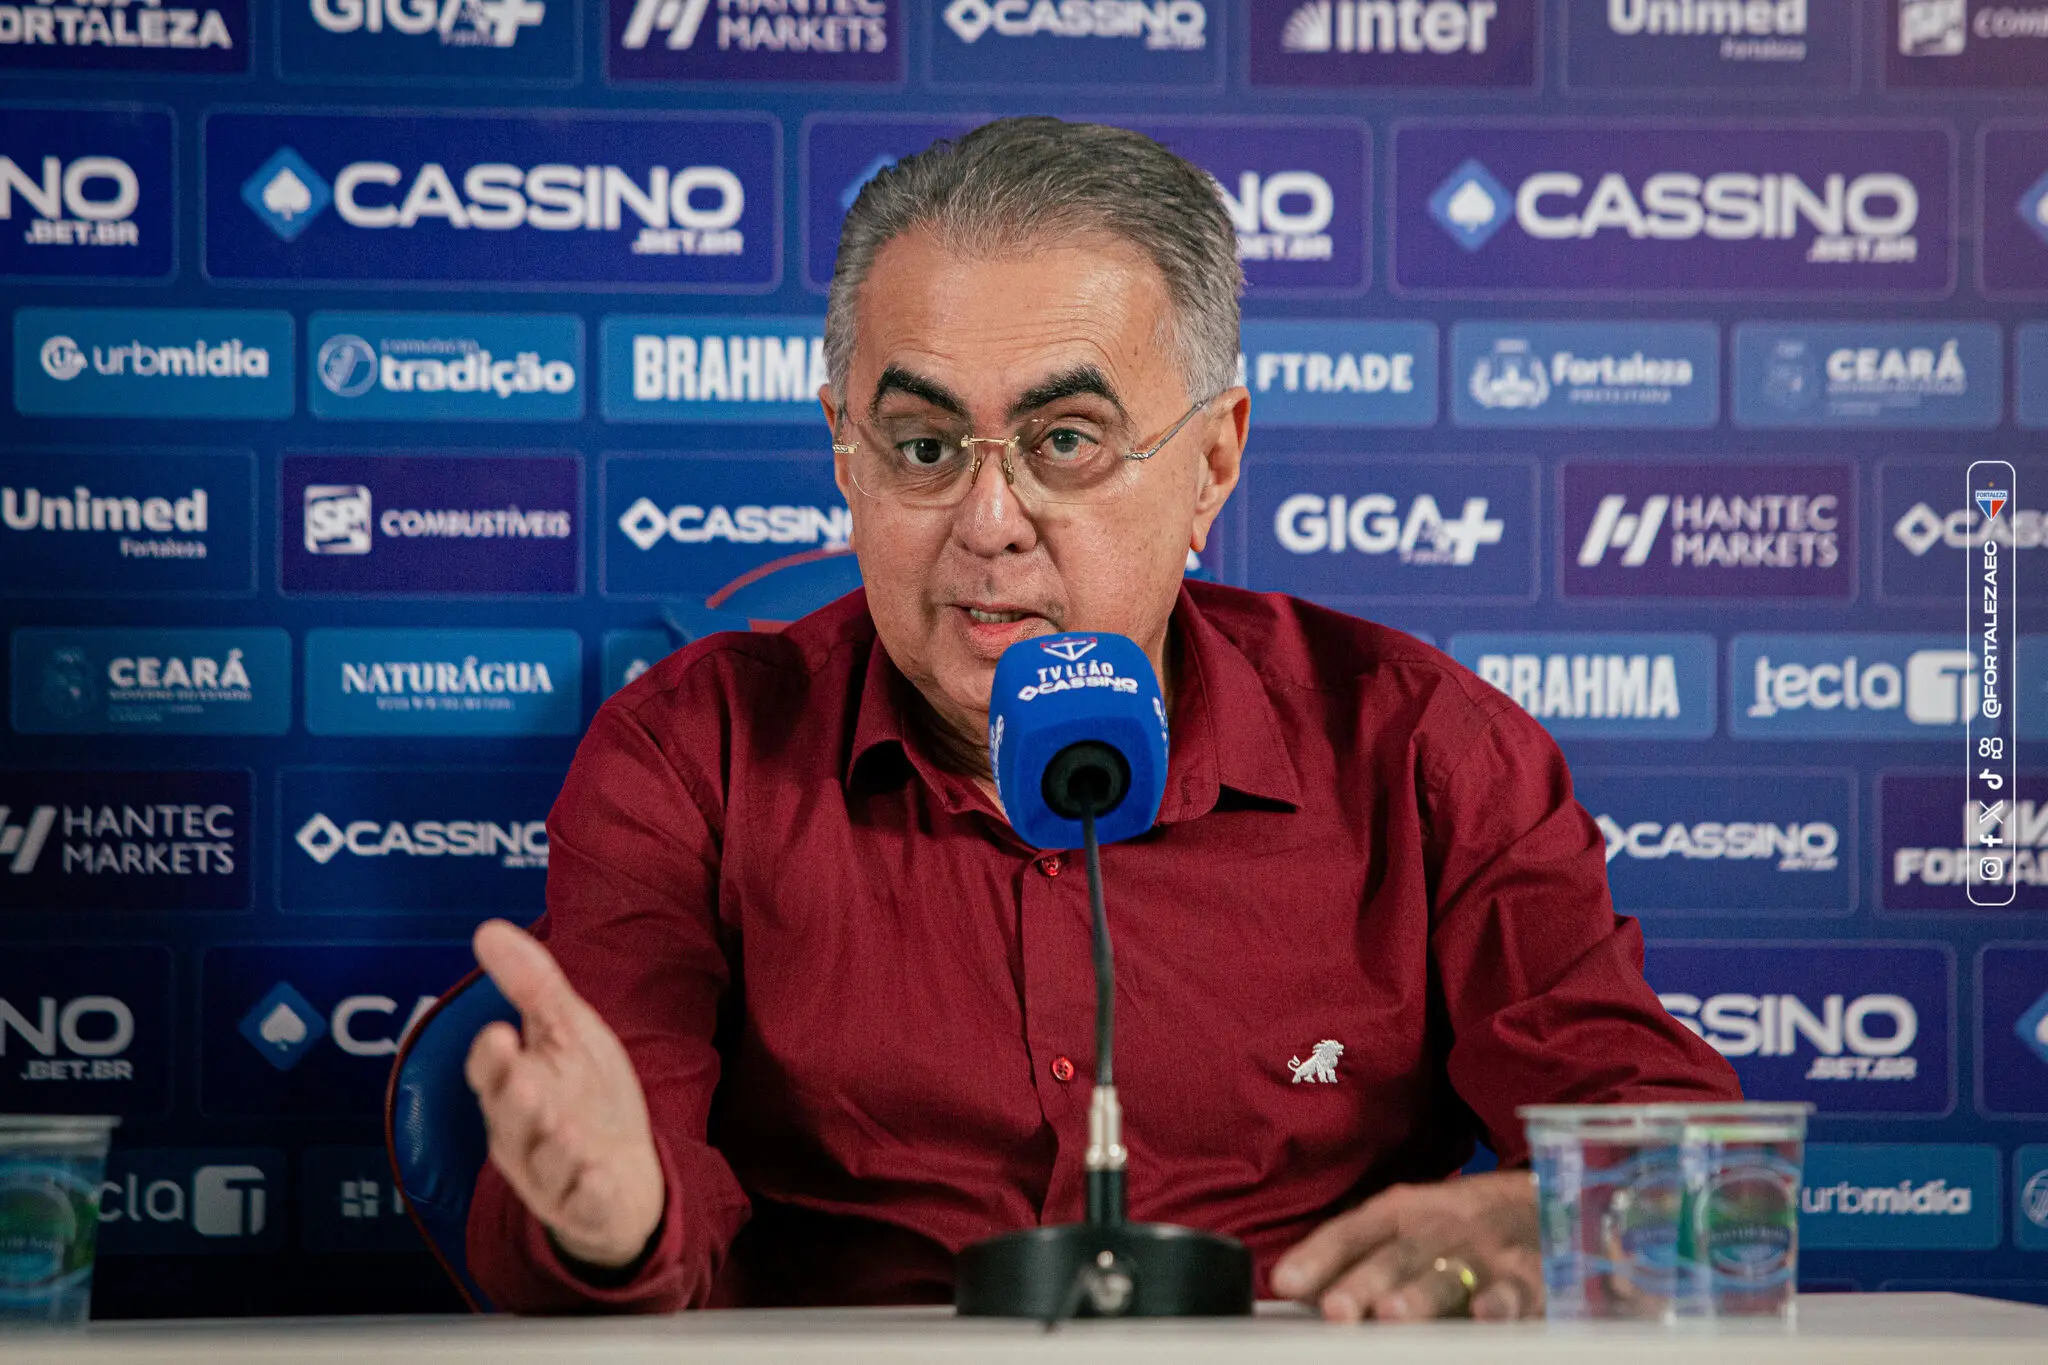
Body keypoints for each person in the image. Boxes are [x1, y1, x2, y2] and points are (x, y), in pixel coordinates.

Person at [458, 116, 1741, 1320]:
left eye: (1065, 440)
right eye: (921, 446)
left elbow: (1704, 1192)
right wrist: (608, 1223)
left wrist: (1559, 1217)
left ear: (1212, 463)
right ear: (842, 455)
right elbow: (610, 1206)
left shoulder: (1421, 756)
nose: (988, 520)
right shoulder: (689, 759)